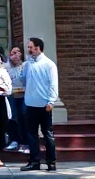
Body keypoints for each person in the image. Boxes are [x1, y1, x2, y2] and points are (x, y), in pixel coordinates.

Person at [20, 37, 59, 172]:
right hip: (30, 103)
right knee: (32, 134)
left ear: (38, 48)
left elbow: (53, 84)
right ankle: (34, 161)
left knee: (47, 133)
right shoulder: (28, 64)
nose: (28, 50)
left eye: (30, 47)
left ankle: (51, 162)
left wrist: (51, 101)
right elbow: (23, 79)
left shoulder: (49, 64)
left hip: (44, 105)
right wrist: (23, 67)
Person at [5, 45, 27, 152]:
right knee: (12, 118)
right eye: (13, 53)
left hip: (24, 96)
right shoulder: (6, 67)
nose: (15, 55)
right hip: (11, 96)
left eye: (18, 52)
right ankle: (14, 140)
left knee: (23, 118)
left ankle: (24, 142)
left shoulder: (25, 66)